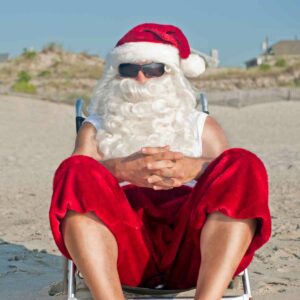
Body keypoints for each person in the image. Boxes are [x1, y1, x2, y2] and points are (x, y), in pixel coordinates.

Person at [49, 23, 271, 300]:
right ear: (115, 75)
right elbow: (70, 187)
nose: (141, 78)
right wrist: (120, 169)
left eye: (154, 68)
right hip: (123, 248)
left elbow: (232, 186)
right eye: (128, 69)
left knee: (242, 163)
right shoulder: (95, 128)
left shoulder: (202, 125)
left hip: (193, 248)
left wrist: (197, 167)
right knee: (75, 169)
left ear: (173, 73)